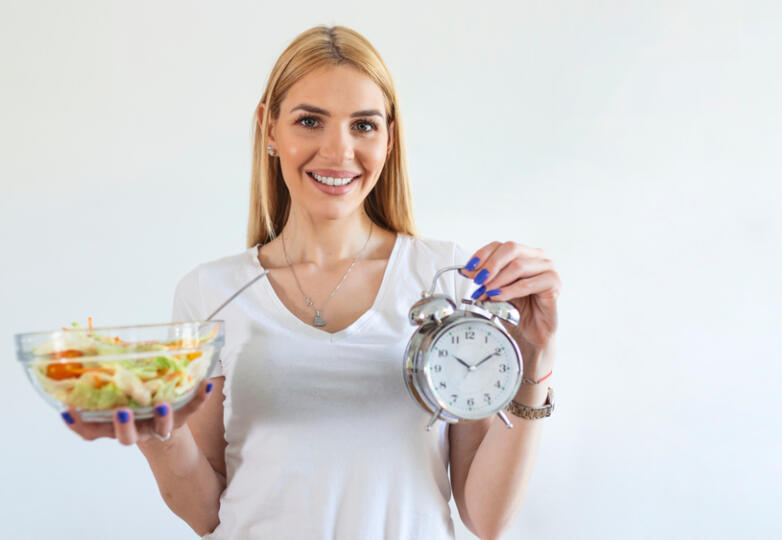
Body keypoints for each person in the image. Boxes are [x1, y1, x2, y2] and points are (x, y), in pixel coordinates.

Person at [61, 25, 561, 540]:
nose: (339, 151)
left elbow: (486, 518)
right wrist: (157, 433)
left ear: (389, 137)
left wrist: (535, 358)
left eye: (363, 125)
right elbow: (206, 511)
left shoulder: (447, 282)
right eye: (309, 121)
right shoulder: (210, 293)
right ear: (269, 129)